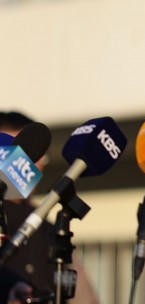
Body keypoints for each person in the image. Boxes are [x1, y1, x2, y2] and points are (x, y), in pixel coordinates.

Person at [0, 111, 99, 304]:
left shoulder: (51, 230)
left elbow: (85, 298)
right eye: (18, 151)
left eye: (35, 154)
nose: (27, 162)